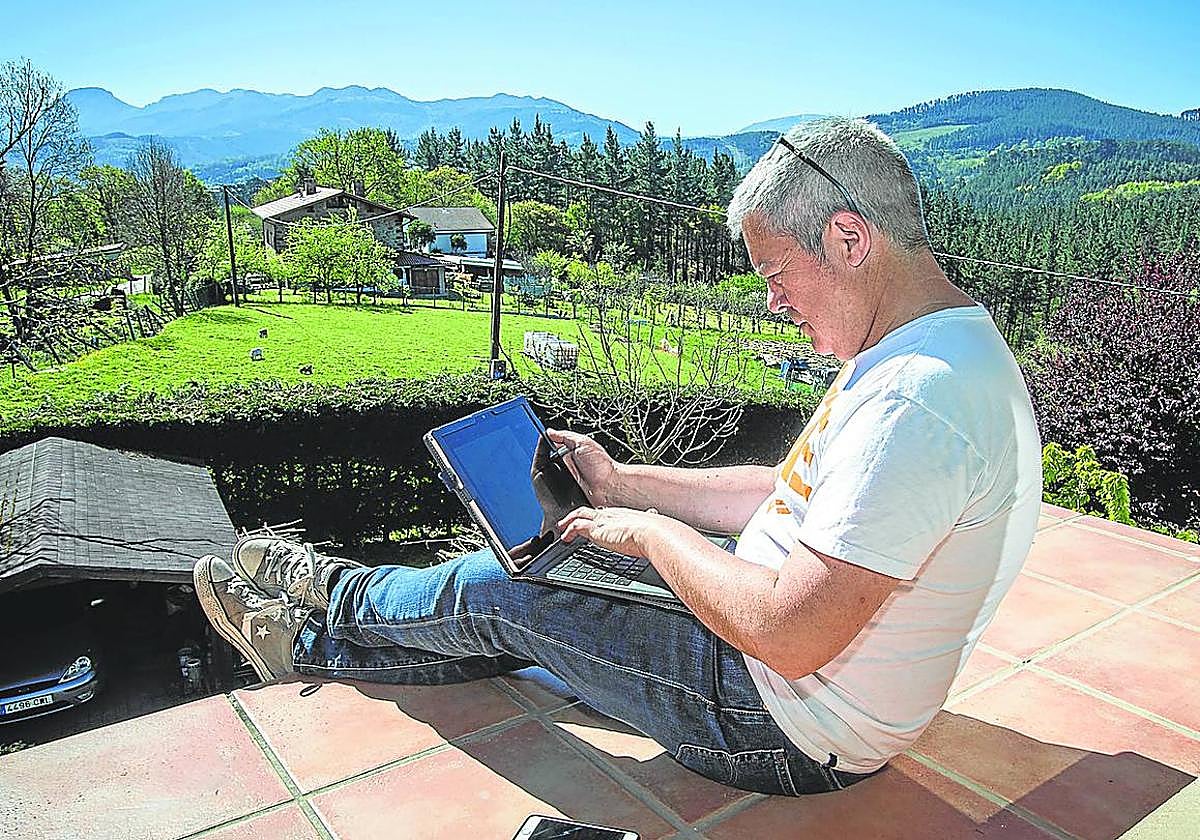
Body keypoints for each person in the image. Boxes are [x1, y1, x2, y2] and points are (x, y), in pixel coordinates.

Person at [194, 117, 1042, 796]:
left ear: (850, 240)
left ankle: (326, 596)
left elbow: (790, 636)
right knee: (543, 571)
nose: (771, 301)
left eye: (776, 273)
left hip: (776, 720)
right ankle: (307, 645)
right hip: (798, 684)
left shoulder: (917, 398)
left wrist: (650, 535)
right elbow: (787, 495)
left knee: (507, 590)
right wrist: (624, 483)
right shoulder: (927, 354)